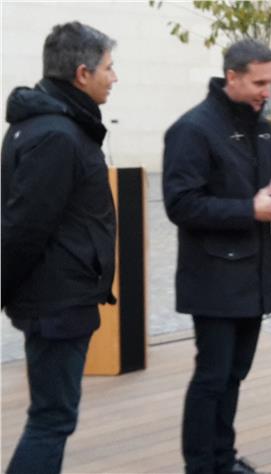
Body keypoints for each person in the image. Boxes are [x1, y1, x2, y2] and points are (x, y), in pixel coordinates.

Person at [162, 39, 271, 474]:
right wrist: (251, 210)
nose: (267, 92)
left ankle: (223, 458)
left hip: (253, 274)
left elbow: (268, 187)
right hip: (213, 277)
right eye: (260, 83)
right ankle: (200, 466)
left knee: (234, 375)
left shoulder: (259, 127)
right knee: (212, 377)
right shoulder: (192, 129)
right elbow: (180, 205)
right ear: (232, 77)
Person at [1, 21, 118, 474]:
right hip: (56, 302)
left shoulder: (47, 126)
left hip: (56, 297)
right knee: (52, 419)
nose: (115, 77)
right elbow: (24, 229)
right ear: (82, 74)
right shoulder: (57, 134)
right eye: (109, 67)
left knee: (51, 416)